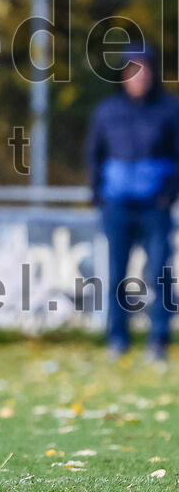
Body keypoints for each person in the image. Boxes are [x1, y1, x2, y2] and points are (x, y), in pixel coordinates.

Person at [86, 41, 179, 361]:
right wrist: (97, 193)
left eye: (144, 70)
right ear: (122, 76)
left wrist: (169, 195)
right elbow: (94, 155)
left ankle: (159, 342)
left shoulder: (170, 109)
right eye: (132, 71)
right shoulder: (107, 111)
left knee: (159, 275)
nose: (138, 78)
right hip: (117, 207)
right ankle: (118, 340)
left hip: (156, 207)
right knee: (116, 275)